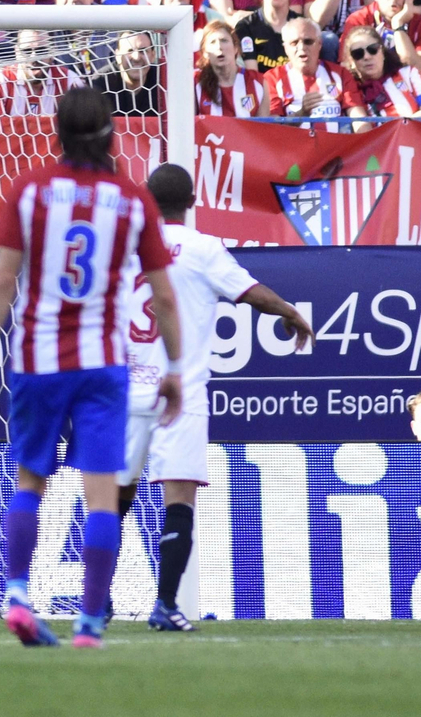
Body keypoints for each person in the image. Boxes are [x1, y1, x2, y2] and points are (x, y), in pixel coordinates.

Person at [0, 86, 180, 648]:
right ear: (110, 132)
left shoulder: (31, 190)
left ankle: (16, 593)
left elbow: (4, 279)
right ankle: (87, 624)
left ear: (56, 131)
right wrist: (175, 365)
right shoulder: (132, 199)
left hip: (37, 358)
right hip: (103, 365)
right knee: (101, 493)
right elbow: (164, 294)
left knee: (30, 480)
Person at [117, 162, 311, 634]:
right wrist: (288, 310)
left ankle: (95, 601)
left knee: (112, 500)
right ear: (193, 201)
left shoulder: (122, 246)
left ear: (146, 197)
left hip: (122, 389)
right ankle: (165, 605)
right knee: (177, 498)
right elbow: (250, 293)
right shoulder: (203, 249)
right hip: (178, 392)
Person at [265, 14, 370, 128]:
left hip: (335, 144)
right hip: (294, 145)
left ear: (319, 44)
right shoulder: (272, 79)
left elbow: (359, 119)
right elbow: (273, 129)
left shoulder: (340, 74)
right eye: (294, 43)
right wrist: (302, 113)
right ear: (285, 48)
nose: (302, 47)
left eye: (308, 42)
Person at [345, 23, 421, 117]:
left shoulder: (409, 74)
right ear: (351, 61)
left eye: (372, 49)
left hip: (414, 130)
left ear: (382, 52)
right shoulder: (349, 89)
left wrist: (401, 128)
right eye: (358, 53)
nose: (367, 57)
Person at [194, 19, 267, 114]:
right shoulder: (195, 81)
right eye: (212, 42)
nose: (219, 46)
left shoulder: (258, 81)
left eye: (224, 40)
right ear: (205, 53)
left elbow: (263, 127)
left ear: (236, 48)